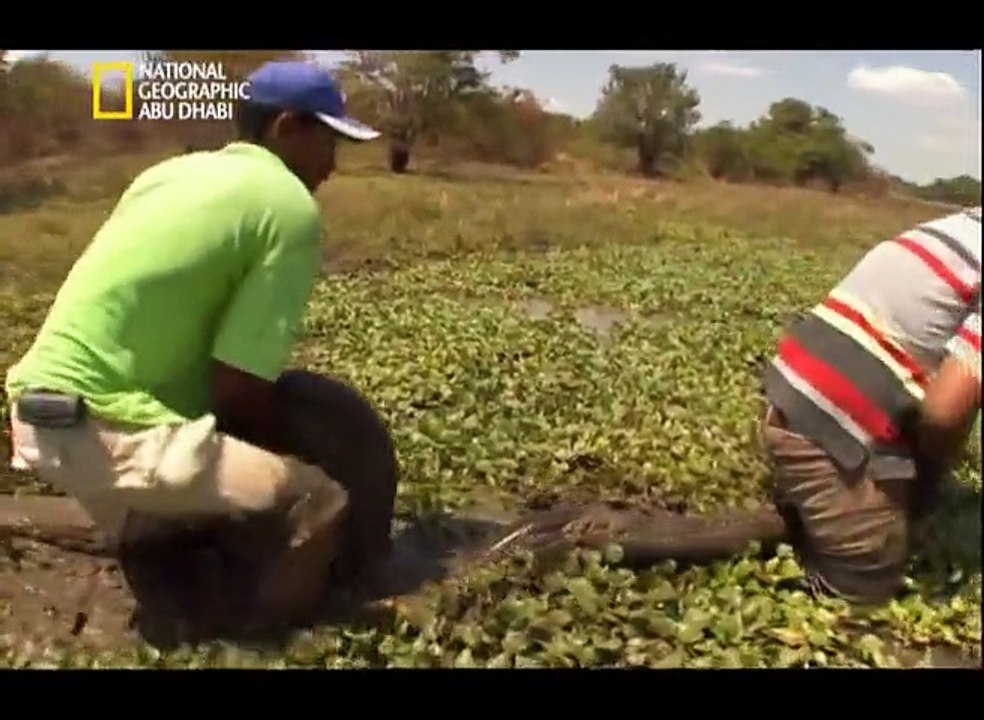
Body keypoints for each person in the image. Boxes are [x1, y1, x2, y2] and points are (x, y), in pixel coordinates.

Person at [4, 60, 397, 627]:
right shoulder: (287, 205)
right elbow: (238, 388)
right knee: (317, 501)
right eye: (329, 142)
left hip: (37, 417)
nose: (333, 165)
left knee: (181, 530)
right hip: (111, 430)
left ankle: (158, 545)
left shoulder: (168, 173)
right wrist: (289, 461)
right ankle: (278, 639)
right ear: (288, 127)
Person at [759, 205, 980, 605]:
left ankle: (826, 515)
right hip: (830, 418)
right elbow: (944, 415)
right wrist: (931, 470)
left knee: (912, 505)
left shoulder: (968, 226)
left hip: (798, 384)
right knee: (865, 587)